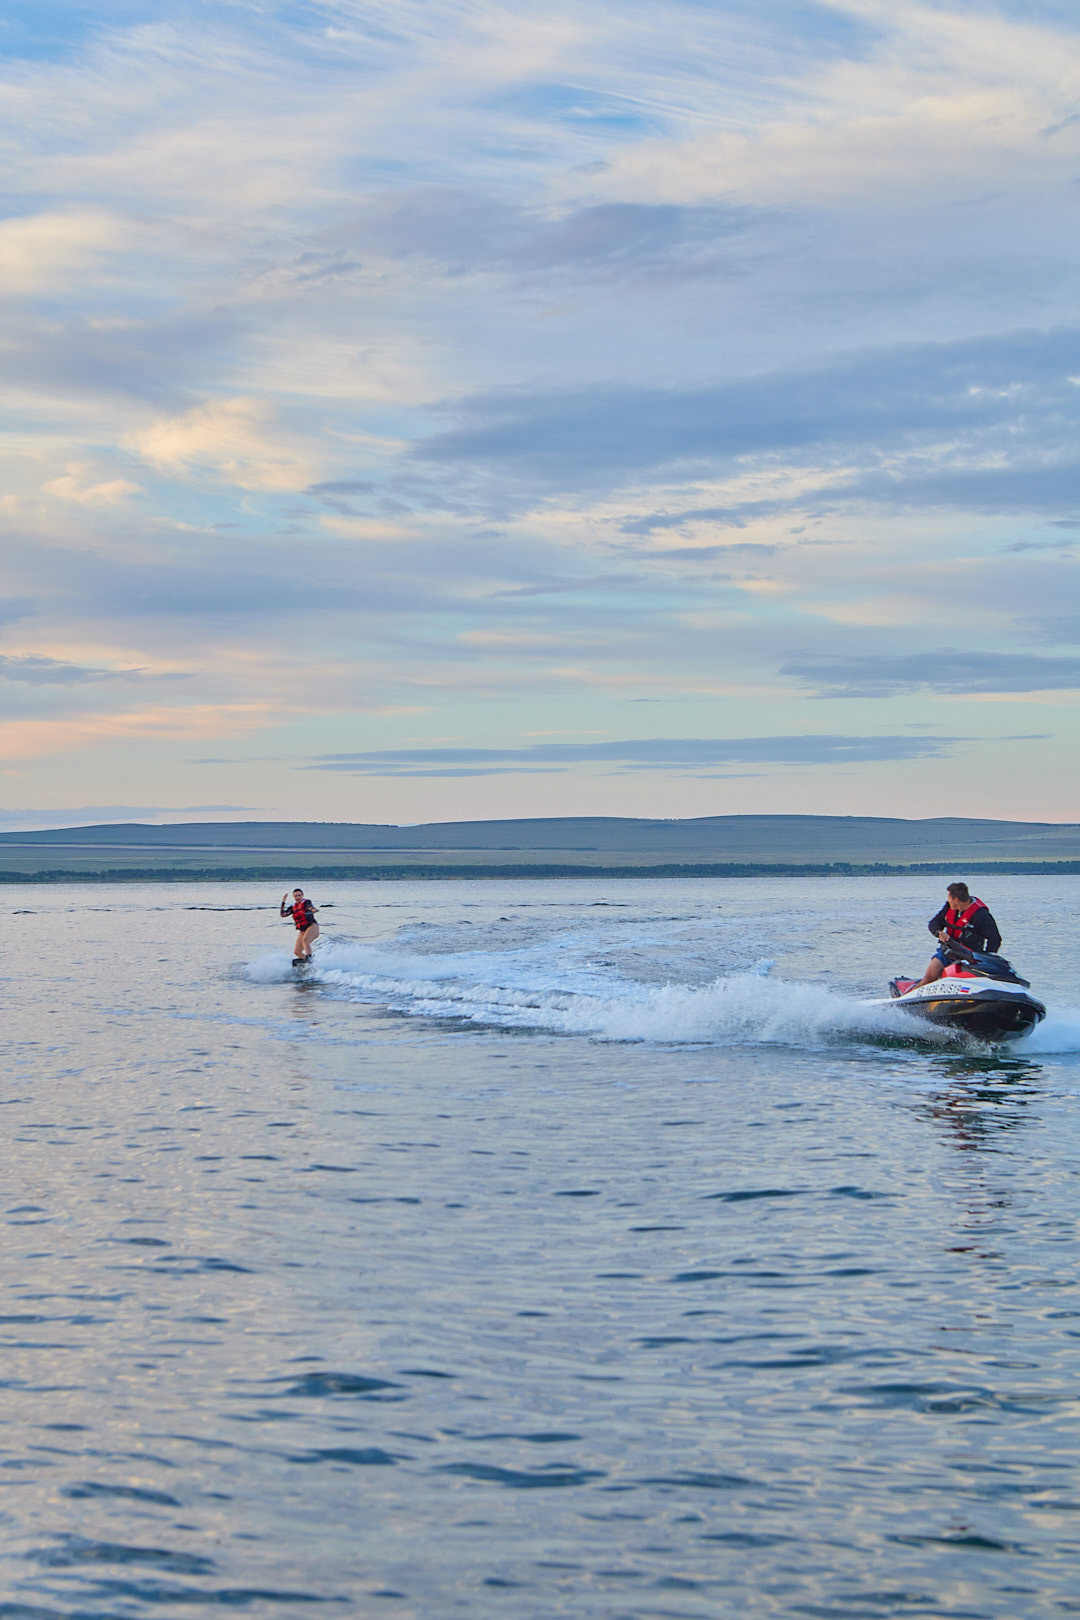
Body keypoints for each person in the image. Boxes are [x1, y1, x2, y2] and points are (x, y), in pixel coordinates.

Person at [909, 882, 1002, 989]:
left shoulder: (981, 916)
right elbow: (933, 923)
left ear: (956, 900)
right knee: (932, 973)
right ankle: (910, 996)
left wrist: (986, 958)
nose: (948, 900)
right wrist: (939, 933)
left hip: (971, 957)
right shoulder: (948, 907)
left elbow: (995, 939)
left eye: (949, 898)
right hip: (948, 952)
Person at [281, 888, 319, 960]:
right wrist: (283, 901)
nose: (297, 897)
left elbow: (310, 907)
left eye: (299, 895)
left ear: (302, 895)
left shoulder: (307, 902)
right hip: (303, 930)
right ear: (293, 897)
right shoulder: (293, 907)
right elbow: (283, 914)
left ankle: (309, 959)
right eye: (295, 896)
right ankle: (308, 961)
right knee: (297, 952)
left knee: (305, 941)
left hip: (312, 926)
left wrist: (313, 910)